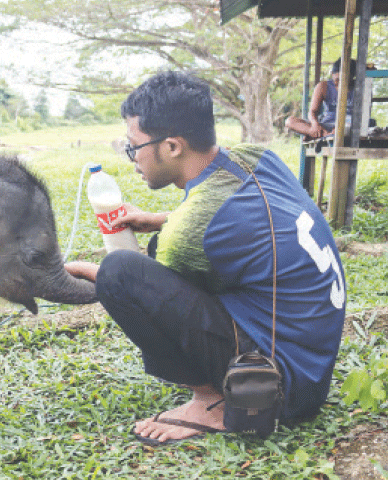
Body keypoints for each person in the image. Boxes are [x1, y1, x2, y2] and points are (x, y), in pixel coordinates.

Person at [66, 71, 346, 445]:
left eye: (133, 147)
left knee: (120, 272)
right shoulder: (256, 158)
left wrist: (101, 278)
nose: (132, 158)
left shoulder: (191, 232)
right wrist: (160, 218)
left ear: (172, 147)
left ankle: (209, 402)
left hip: (272, 385)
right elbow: (249, 218)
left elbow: (153, 291)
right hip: (311, 366)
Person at [285, 58, 356, 139]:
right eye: (337, 80)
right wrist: (315, 125)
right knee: (290, 121)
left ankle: (319, 136)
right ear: (332, 74)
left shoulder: (359, 88)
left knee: (347, 130)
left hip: (349, 126)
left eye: (344, 81)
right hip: (326, 126)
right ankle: (326, 135)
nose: (339, 84)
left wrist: (342, 128)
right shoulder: (323, 86)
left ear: (351, 78)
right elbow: (312, 112)